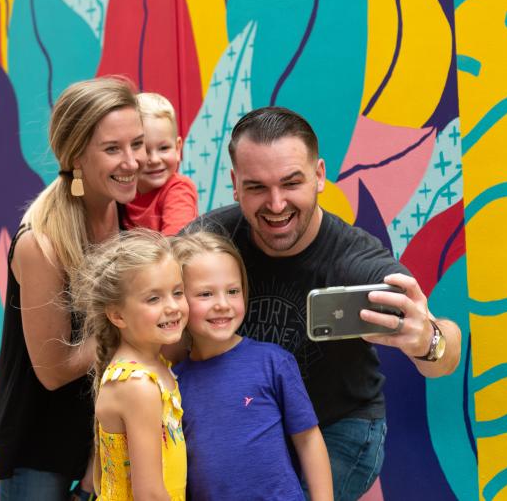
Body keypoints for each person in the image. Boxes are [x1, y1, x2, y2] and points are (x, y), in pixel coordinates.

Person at [187, 107, 462, 501]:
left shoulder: (355, 259)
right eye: (257, 187)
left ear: (319, 175)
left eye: (291, 182)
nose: (276, 204)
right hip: (250, 422)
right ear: (234, 184)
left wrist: (428, 340)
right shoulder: (208, 242)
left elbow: (447, 354)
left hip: (340, 426)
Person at [0, 77, 147, 500]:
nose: (132, 162)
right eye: (113, 149)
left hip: (98, 438)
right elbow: (53, 372)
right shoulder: (42, 243)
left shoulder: (124, 213)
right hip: (39, 445)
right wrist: (129, 325)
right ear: (75, 155)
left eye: (137, 144)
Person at [171, 231, 333, 501]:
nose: (222, 304)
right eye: (206, 294)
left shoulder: (273, 362)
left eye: (233, 291)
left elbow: (308, 441)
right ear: (178, 300)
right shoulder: (172, 384)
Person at [72, 229, 188, 501]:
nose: (172, 306)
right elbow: (149, 494)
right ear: (117, 315)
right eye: (153, 298)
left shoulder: (156, 365)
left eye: (177, 292)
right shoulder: (138, 385)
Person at [124, 92, 198, 235]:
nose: (155, 160)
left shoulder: (178, 189)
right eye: (145, 150)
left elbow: (176, 243)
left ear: (177, 149)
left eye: (164, 148)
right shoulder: (122, 189)